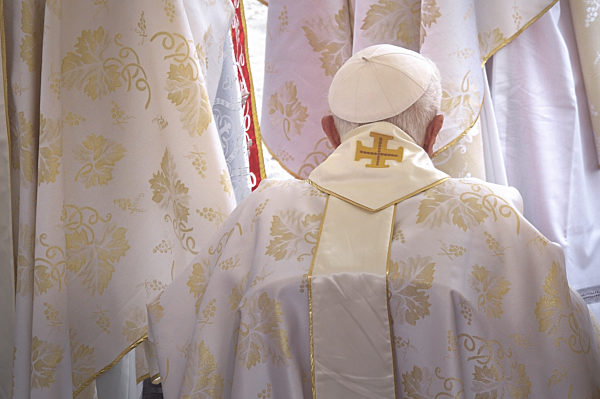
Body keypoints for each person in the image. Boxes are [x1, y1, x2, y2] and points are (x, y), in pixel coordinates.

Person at [147, 44, 600, 398]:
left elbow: (184, 333)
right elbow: (567, 357)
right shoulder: (494, 218)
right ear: (434, 131)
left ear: (328, 130)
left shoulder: (260, 220)